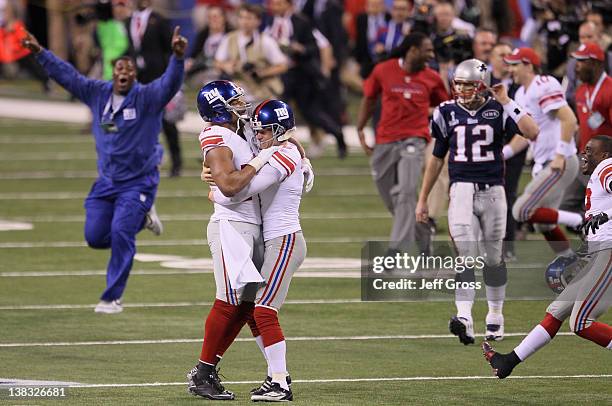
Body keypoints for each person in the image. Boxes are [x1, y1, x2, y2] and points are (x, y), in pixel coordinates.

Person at [21, 26, 187, 314]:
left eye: (130, 69)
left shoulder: (147, 98)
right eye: (119, 68)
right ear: (113, 71)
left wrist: (177, 58)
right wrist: (41, 54)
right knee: (96, 237)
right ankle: (143, 218)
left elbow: (169, 84)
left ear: (134, 75)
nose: (124, 72)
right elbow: (68, 77)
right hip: (107, 182)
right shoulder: (97, 93)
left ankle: (112, 298)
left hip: (138, 182)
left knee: (121, 232)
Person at [416, 59, 539, 345]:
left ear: (482, 85)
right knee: (466, 253)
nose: (461, 89)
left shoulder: (498, 109)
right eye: (458, 83)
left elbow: (531, 132)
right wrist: (423, 199)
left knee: (494, 257)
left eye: (468, 84)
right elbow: (436, 159)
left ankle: (495, 315)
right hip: (461, 190)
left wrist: (508, 100)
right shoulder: (446, 112)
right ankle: (464, 318)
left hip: (494, 191)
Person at [186, 81, 286, 400]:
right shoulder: (215, 135)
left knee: (246, 306)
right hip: (233, 226)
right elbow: (229, 186)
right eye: (235, 101)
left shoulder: (239, 132)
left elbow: (228, 177)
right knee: (228, 300)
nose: (242, 105)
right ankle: (203, 374)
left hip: (251, 224)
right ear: (218, 108)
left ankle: (208, 370)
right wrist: (257, 163)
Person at [483, 135, 612, 378]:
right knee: (557, 310)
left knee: (581, 322)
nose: (583, 155)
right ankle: (508, 361)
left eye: (589, 151)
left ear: (604, 155)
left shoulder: (607, 166)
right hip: (599, 252)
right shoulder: (598, 174)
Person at [210, 99, 306, 402]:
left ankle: (281, 382)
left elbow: (241, 190)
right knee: (255, 310)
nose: (259, 135)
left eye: (265, 130)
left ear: (279, 130)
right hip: (274, 239)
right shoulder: (283, 150)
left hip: (285, 239)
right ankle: (276, 376)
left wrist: (214, 188)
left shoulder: (284, 154)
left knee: (264, 309)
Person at [357, 32, 449, 256]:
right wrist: (360, 129)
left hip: (415, 139)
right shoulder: (383, 70)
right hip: (385, 140)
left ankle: (396, 249)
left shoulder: (432, 77)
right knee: (392, 197)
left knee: (407, 192)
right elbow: (369, 99)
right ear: (413, 50)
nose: (431, 54)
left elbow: (445, 107)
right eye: (427, 49)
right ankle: (423, 231)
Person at [503, 47, 581, 257]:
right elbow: (527, 134)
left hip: (559, 161)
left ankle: (582, 221)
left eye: (514, 65)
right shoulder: (520, 92)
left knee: (521, 210)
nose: (510, 70)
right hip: (544, 163)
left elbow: (569, 119)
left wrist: (559, 155)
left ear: (528, 65)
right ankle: (569, 259)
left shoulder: (543, 84)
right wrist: (503, 154)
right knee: (542, 225)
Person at [127, 0, 184, 177]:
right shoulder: (128, 20)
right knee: (139, 121)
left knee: (167, 122)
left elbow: (170, 50)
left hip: (159, 77)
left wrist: (173, 78)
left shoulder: (159, 19)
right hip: (139, 79)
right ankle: (144, 161)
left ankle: (176, 162)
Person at [560, 42, 612, 223]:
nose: (577, 66)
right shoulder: (581, 90)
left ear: (596, 64)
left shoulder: (609, 90)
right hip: (584, 159)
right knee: (565, 206)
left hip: (605, 163)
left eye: (582, 61)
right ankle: (591, 229)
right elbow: (584, 124)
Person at [214, 3, 288, 104]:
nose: (245, 22)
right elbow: (218, 61)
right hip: (239, 88)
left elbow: (282, 66)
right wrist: (227, 66)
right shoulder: (229, 39)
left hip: (262, 89)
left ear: (258, 21)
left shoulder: (266, 41)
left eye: (249, 18)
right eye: (242, 17)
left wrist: (262, 73)